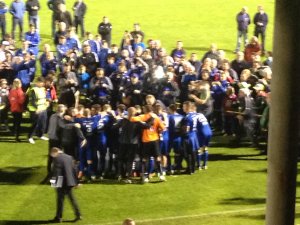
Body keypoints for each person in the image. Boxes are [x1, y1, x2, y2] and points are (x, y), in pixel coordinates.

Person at [50, 147, 82, 223]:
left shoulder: (56, 159)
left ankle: (59, 217)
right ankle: (78, 215)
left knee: (60, 200)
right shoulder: (69, 157)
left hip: (61, 182)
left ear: (55, 152)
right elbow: (74, 170)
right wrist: (76, 182)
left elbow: (55, 172)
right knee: (72, 199)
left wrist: (53, 183)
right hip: (69, 182)